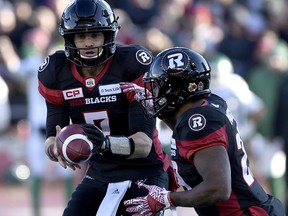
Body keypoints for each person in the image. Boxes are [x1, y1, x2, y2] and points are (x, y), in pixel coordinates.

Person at [37, 0, 173, 215]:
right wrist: (58, 150)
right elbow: (51, 136)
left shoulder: (131, 64)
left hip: (145, 171)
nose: (88, 43)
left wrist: (105, 144)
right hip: (100, 172)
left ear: (108, 35)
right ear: (69, 38)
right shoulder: (56, 70)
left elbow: (143, 144)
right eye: (81, 36)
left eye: (95, 35)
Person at [123, 47, 285, 215]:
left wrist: (167, 198)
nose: (152, 94)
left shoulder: (198, 123)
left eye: (156, 87)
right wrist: (158, 104)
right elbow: (184, 136)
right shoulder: (206, 104)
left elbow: (218, 189)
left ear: (177, 89)